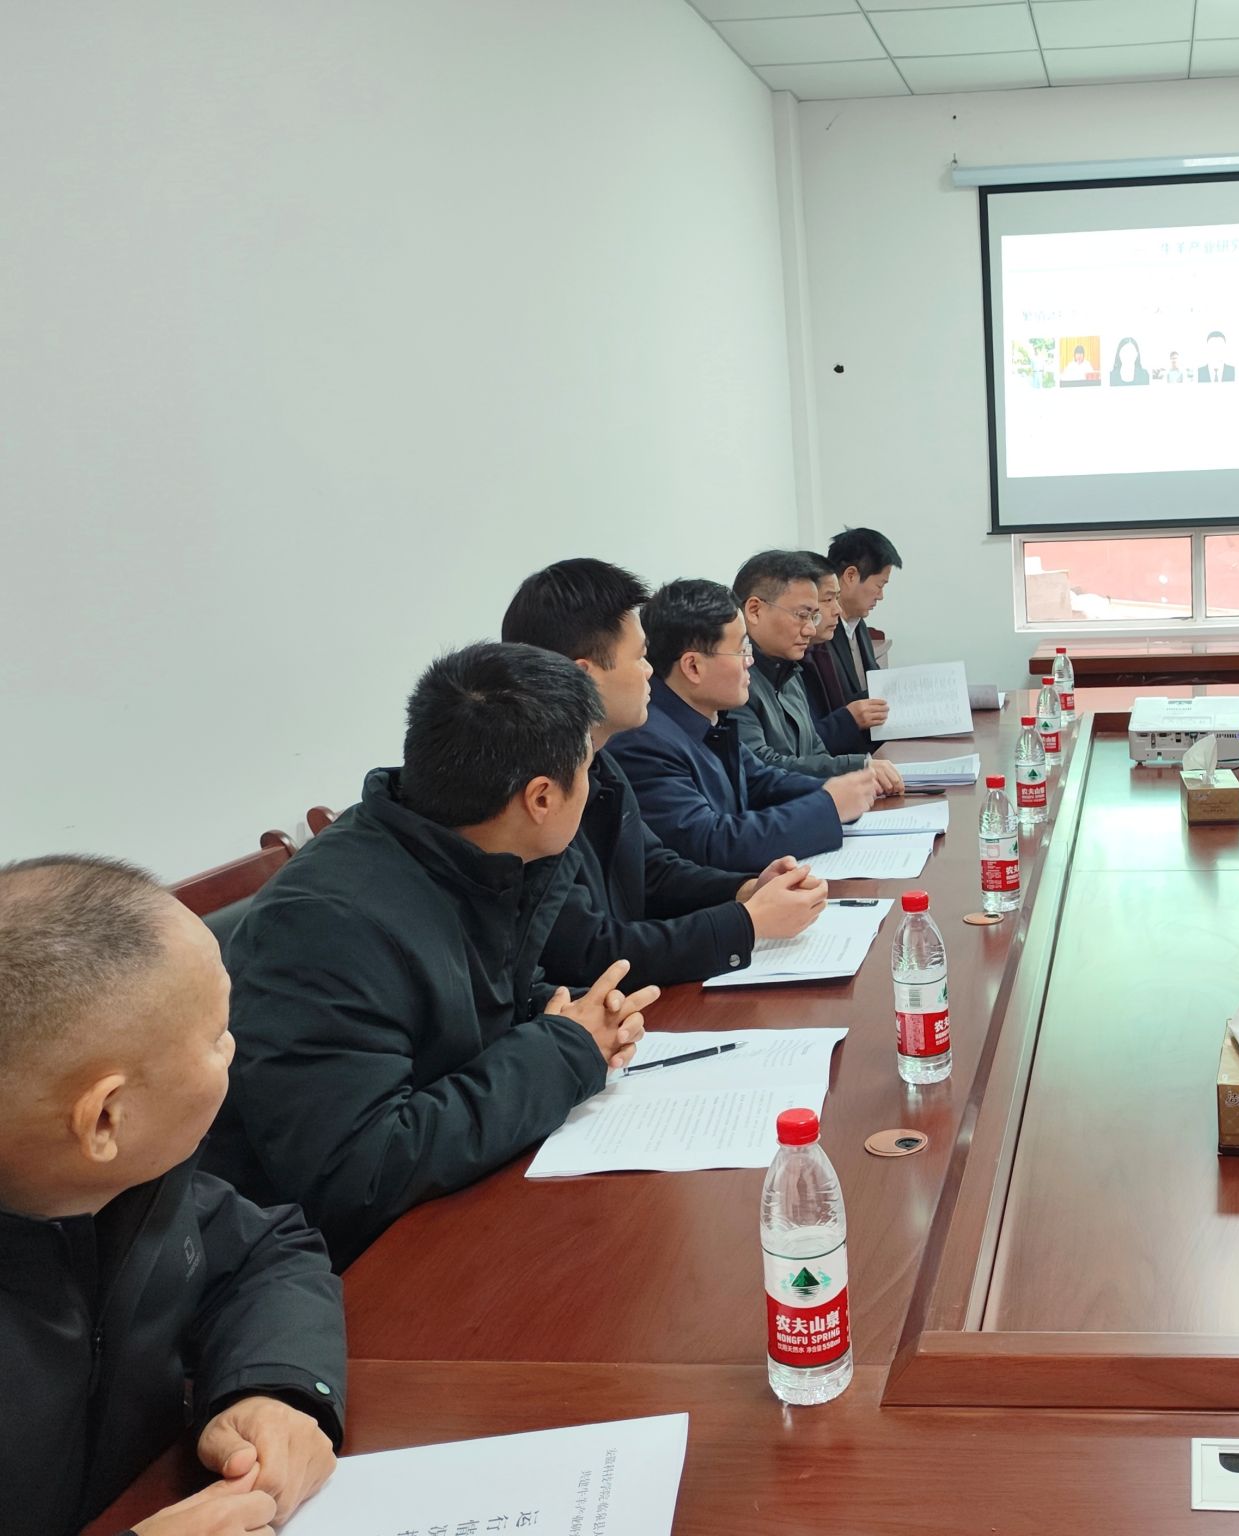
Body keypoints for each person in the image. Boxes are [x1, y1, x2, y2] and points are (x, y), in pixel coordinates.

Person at [203, 642, 658, 1269]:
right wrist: (562, 1051)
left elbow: (466, 1005)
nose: (593, 785)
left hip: (456, 1204)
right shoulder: (324, 926)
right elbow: (360, 1172)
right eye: (586, 768)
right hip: (352, 1267)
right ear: (541, 799)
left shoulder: (464, 853)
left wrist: (561, 1014)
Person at [0, 856, 346, 1536]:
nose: (234, 1047)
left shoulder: (129, 1183)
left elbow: (266, 1253)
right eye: (215, 1036)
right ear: (106, 1119)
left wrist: (271, 1387)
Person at [502, 558, 829, 987]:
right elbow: (587, 952)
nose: (650, 670)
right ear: (582, 678)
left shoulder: (599, 758)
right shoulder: (535, 793)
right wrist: (746, 923)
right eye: (640, 657)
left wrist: (745, 889)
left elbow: (651, 870)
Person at [611, 579, 877, 870]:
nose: (749, 661)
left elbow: (761, 781)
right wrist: (828, 806)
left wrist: (837, 789)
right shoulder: (645, 742)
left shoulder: (703, 719)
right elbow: (711, 843)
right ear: (693, 666)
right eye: (740, 649)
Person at [730, 550, 905, 793]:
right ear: (754, 610)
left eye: (813, 617)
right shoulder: (734, 680)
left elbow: (816, 751)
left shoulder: (790, 672)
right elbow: (762, 768)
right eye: (802, 615)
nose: (810, 630)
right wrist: (858, 767)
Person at [803, 557, 890, 755]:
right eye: (828, 600)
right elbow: (799, 749)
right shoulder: (816, 646)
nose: (837, 609)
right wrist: (849, 719)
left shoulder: (856, 626)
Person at [826, 526, 900, 702]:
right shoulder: (821, 636)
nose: (880, 596)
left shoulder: (858, 624)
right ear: (851, 576)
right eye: (879, 585)